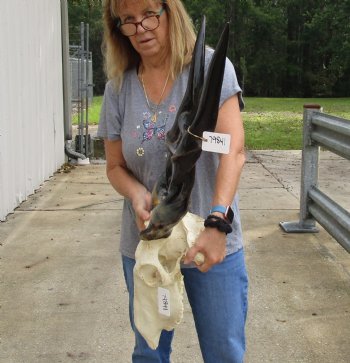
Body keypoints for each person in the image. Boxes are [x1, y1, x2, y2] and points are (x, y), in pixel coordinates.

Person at [98, 0, 248, 362]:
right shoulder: (119, 88)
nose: (141, 28)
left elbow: (233, 150)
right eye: (128, 21)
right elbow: (115, 165)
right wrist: (137, 195)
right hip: (147, 247)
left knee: (224, 352)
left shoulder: (211, 69)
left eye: (150, 14)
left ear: (171, 12)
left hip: (212, 241)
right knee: (149, 352)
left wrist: (217, 222)